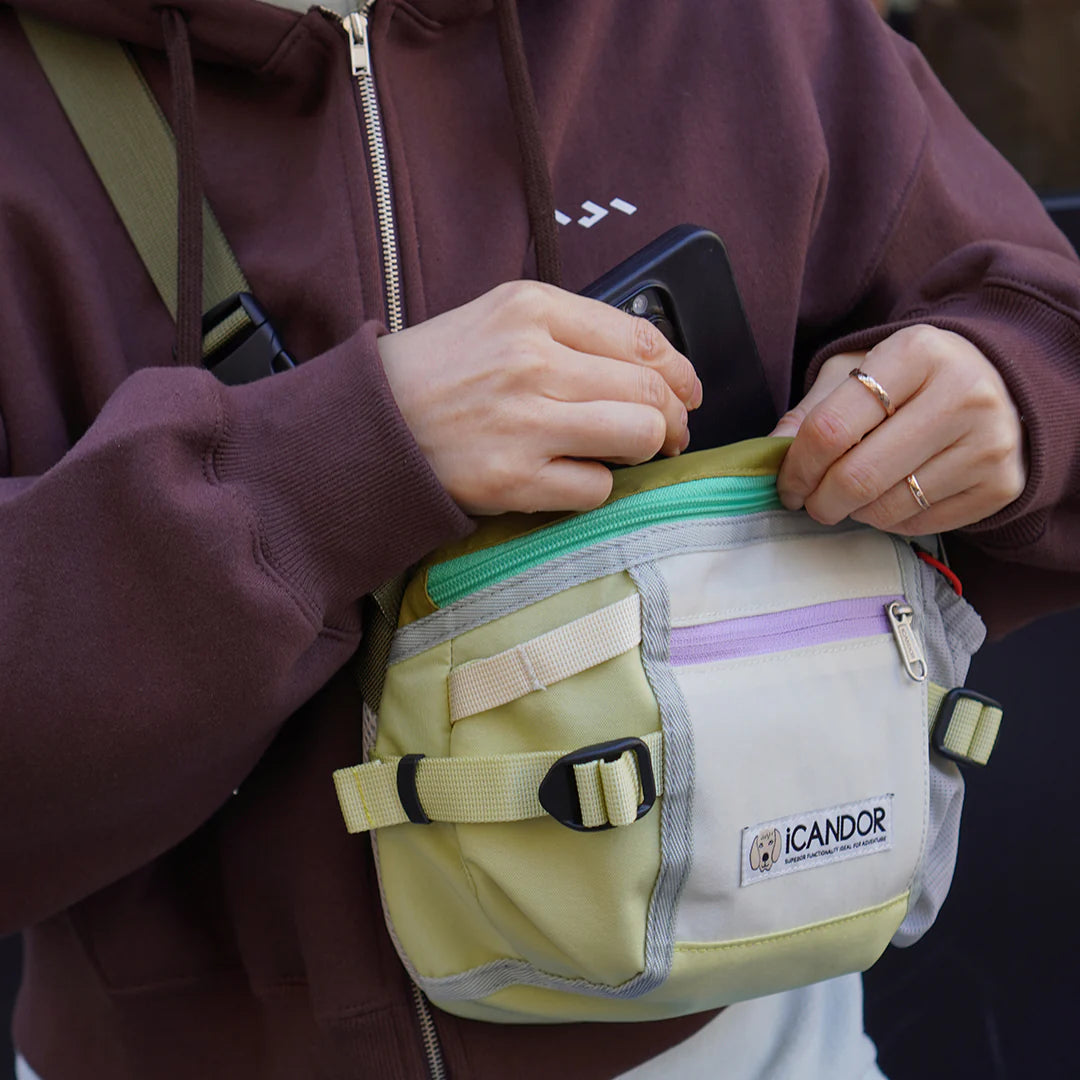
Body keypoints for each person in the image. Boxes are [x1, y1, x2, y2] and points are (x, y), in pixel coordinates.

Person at [2, 1, 1079, 1077]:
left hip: (747, 1028)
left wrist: (1007, 395)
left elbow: (1038, 321)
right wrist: (338, 465)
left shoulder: (745, 25)